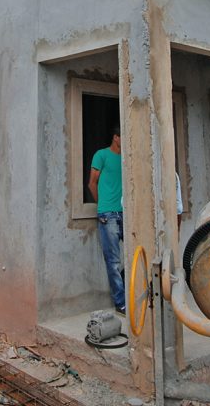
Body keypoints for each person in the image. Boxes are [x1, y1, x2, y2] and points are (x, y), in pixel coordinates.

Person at [88, 126, 124, 314]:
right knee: (113, 261)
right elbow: (91, 183)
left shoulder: (128, 158)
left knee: (139, 254)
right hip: (108, 214)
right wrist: (102, 205)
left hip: (126, 213)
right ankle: (121, 302)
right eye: (122, 136)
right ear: (115, 137)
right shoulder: (101, 155)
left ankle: (134, 295)